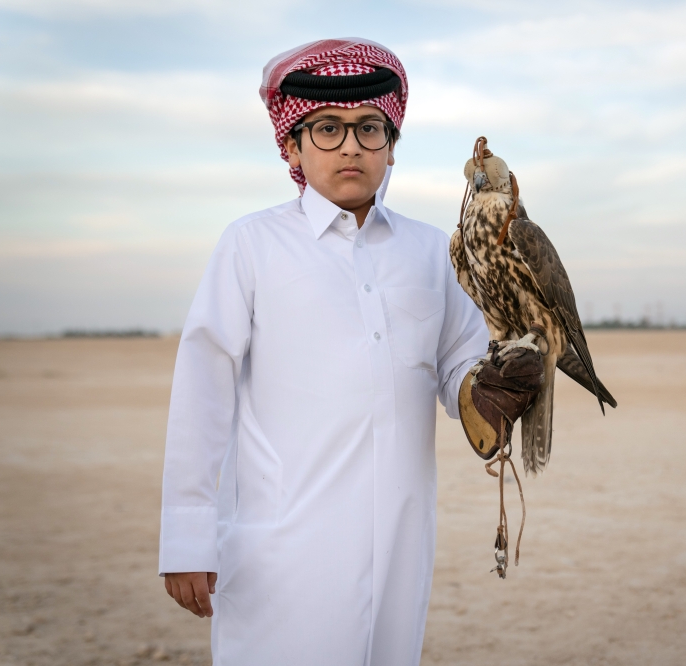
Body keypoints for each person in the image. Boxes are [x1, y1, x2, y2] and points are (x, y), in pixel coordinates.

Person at [157, 38, 541, 665]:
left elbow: (460, 365)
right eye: (328, 129)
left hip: (401, 537)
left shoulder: (430, 251)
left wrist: (490, 384)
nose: (351, 147)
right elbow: (202, 394)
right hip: (282, 544)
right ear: (292, 145)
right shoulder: (251, 246)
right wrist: (186, 540)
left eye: (369, 129)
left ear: (392, 145)